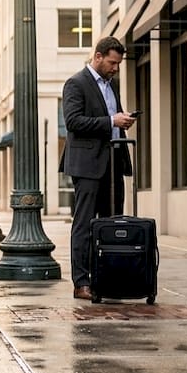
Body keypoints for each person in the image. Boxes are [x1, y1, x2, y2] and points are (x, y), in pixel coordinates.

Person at [60, 36, 137, 300]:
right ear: (98, 56)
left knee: (111, 223)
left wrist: (122, 120)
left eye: (118, 64)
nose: (116, 68)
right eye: (112, 63)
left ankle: (107, 278)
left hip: (113, 162)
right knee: (84, 224)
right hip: (87, 165)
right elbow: (73, 122)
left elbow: (112, 118)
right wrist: (111, 121)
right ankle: (81, 283)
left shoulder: (111, 85)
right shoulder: (76, 83)